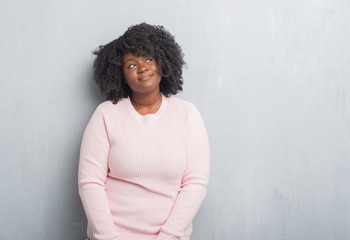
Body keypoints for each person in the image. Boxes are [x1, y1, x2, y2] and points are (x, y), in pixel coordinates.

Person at [78, 23, 210, 240]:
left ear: (163, 61)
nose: (142, 68)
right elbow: (90, 182)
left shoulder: (187, 114)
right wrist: (109, 238)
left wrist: (168, 237)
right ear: (120, 75)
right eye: (131, 65)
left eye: (148, 59)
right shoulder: (105, 115)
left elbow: (195, 184)